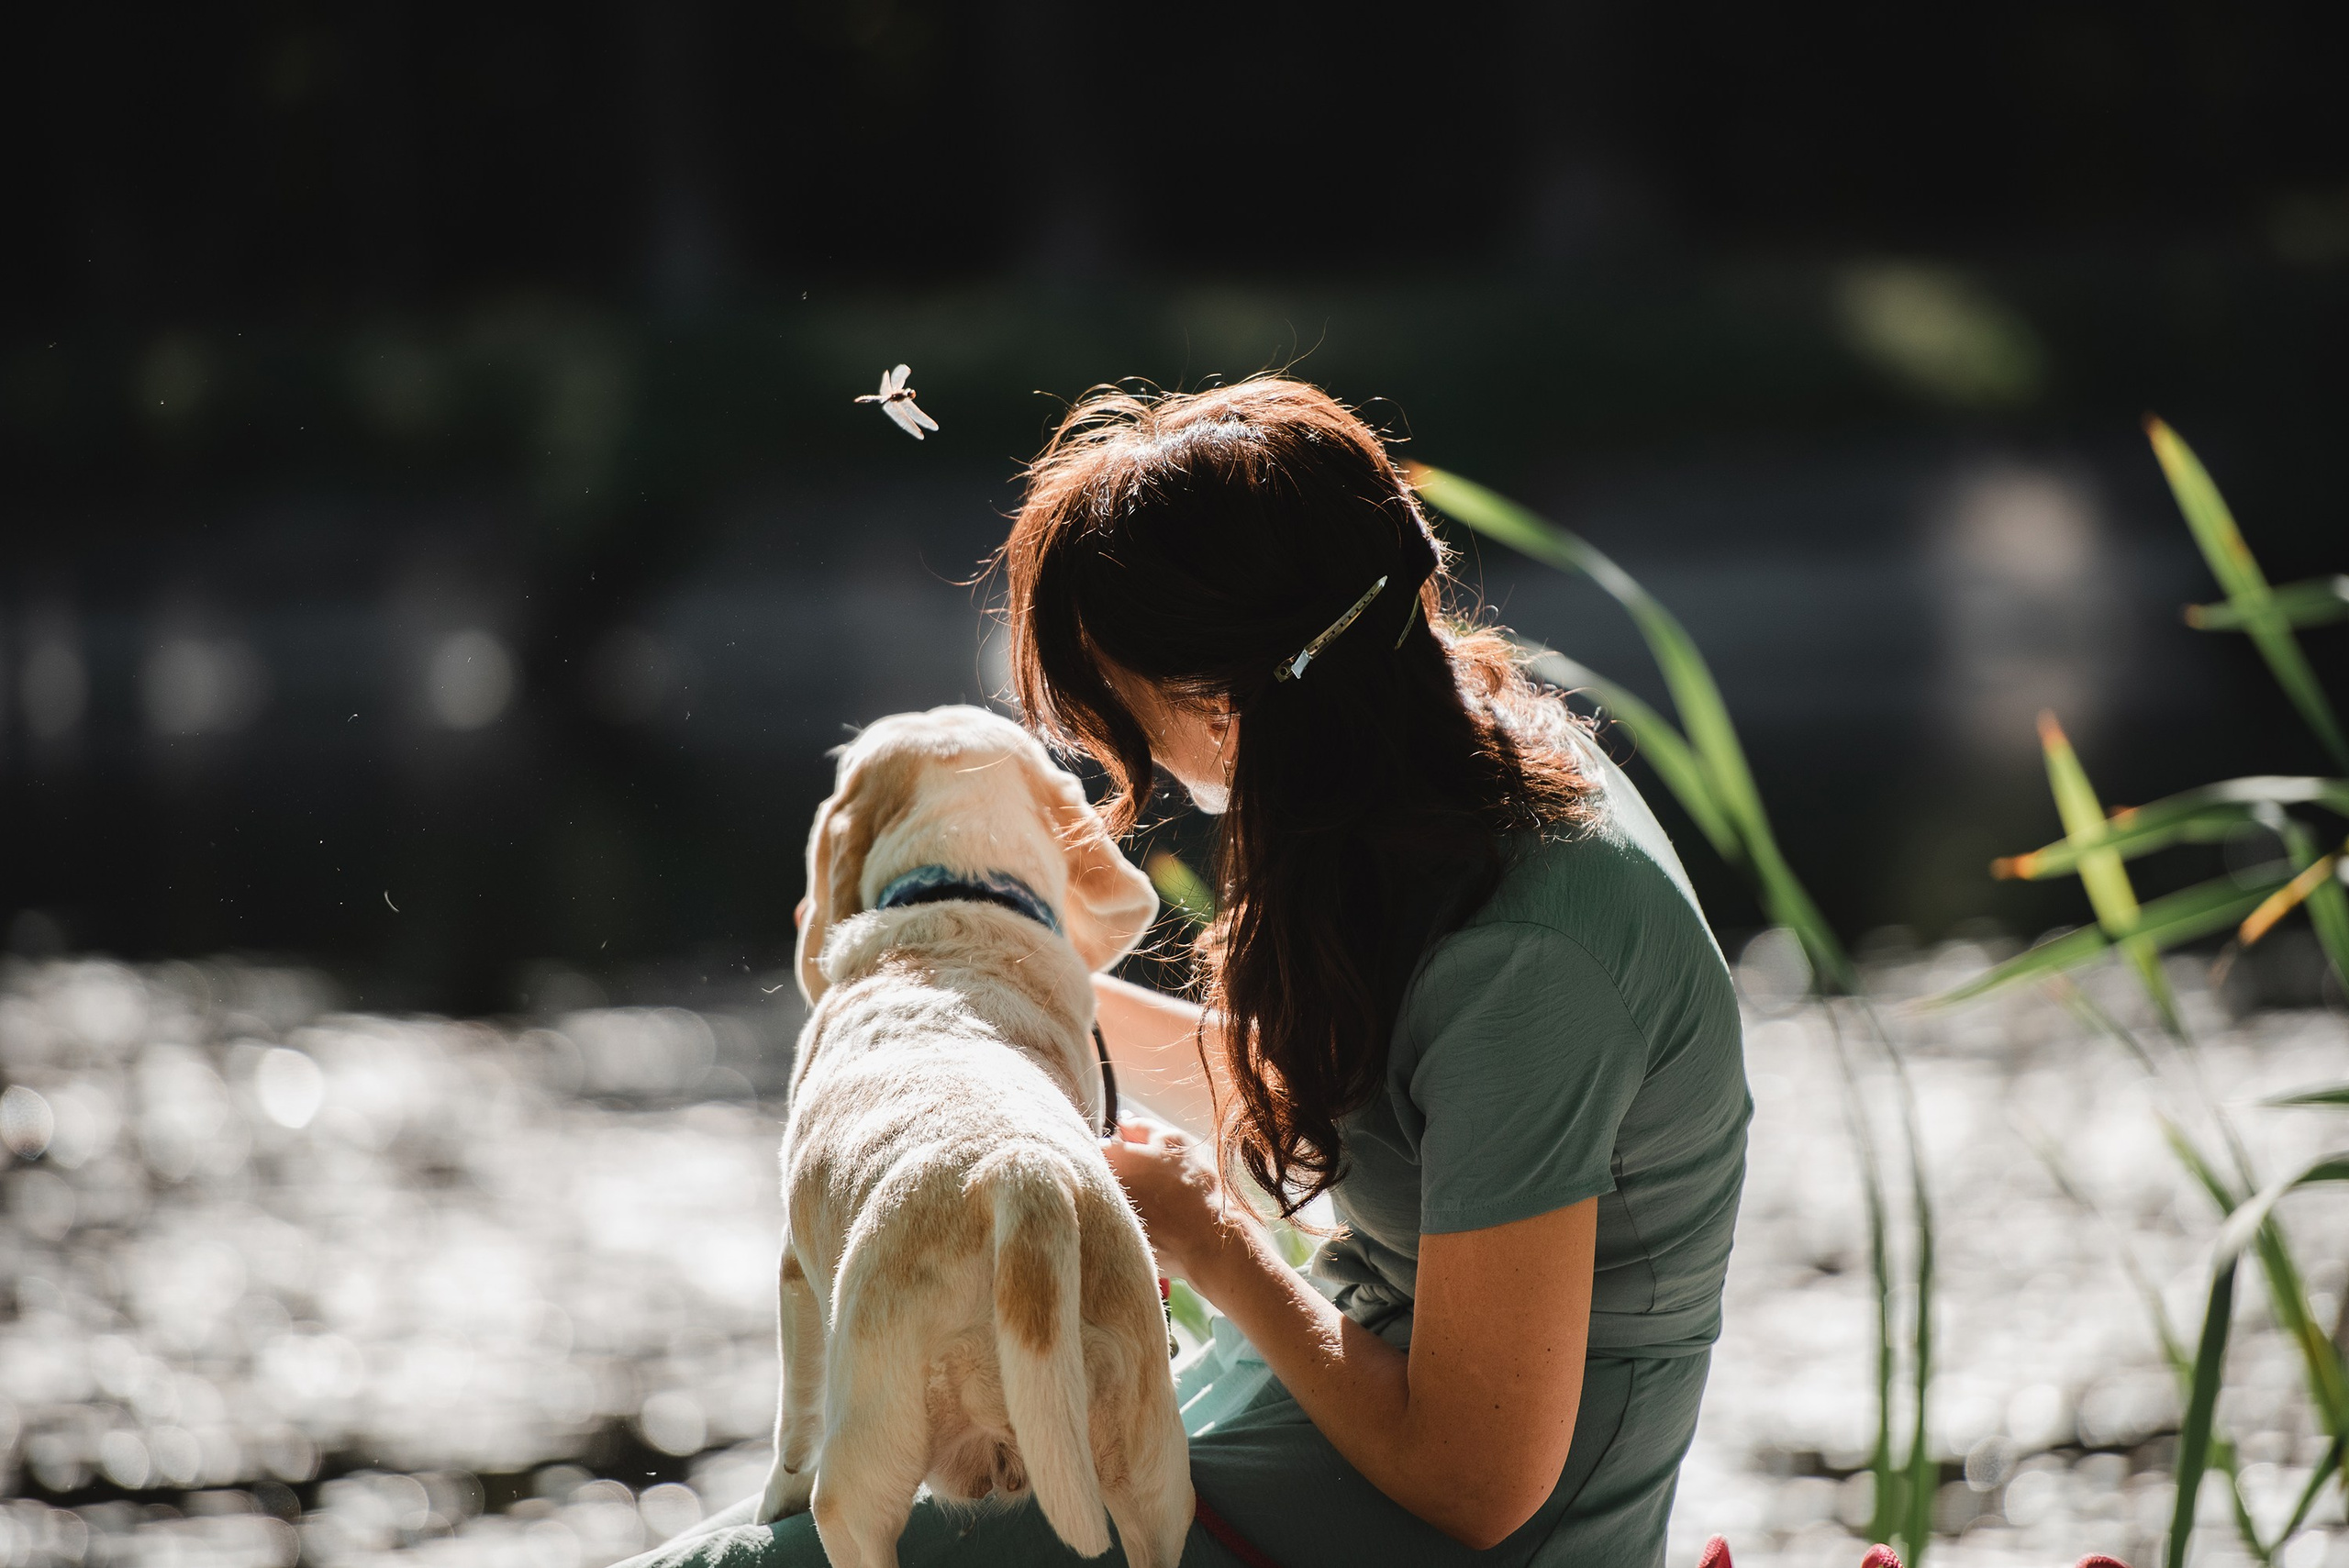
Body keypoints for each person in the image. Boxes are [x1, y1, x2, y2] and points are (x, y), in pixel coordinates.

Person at [627, 378, 1750, 1568]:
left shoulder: (1534, 951)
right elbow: (1330, 1098)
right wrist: (956, 981)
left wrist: (1213, 1237)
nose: (1136, 760)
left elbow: (1475, 1477)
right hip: (1328, 1390)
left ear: (1227, 701)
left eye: (1124, 705)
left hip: (1467, 1516)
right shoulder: (1436, 766)